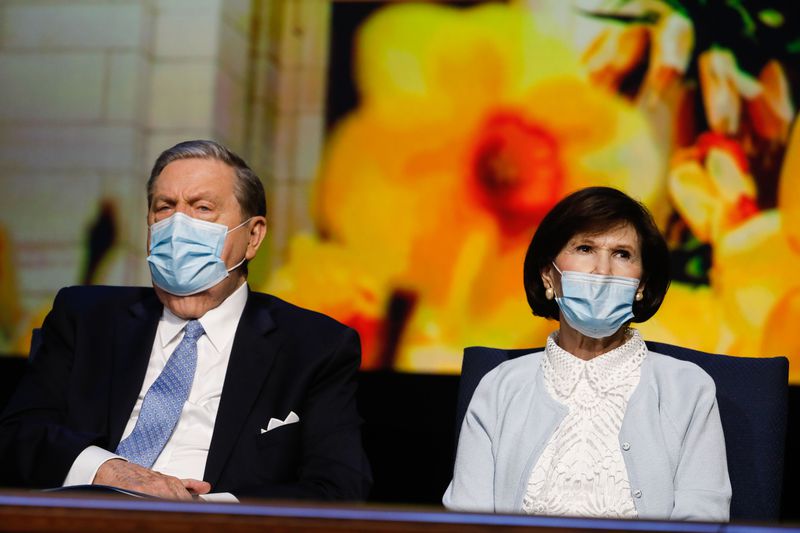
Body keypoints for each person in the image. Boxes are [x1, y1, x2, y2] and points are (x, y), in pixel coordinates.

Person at [0, 140, 372, 501]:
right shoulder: (85, 316)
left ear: (253, 236)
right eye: (164, 207)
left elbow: (337, 486)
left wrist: (203, 513)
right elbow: (17, 434)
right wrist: (108, 471)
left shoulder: (315, 345)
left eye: (202, 208)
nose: (178, 225)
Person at [443, 187, 731, 521]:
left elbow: (702, 519)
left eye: (622, 254)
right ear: (548, 275)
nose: (603, 271)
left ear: (641, 285)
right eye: (585, 248)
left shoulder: (688, 389)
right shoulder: (499, 388)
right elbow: (467, 521)